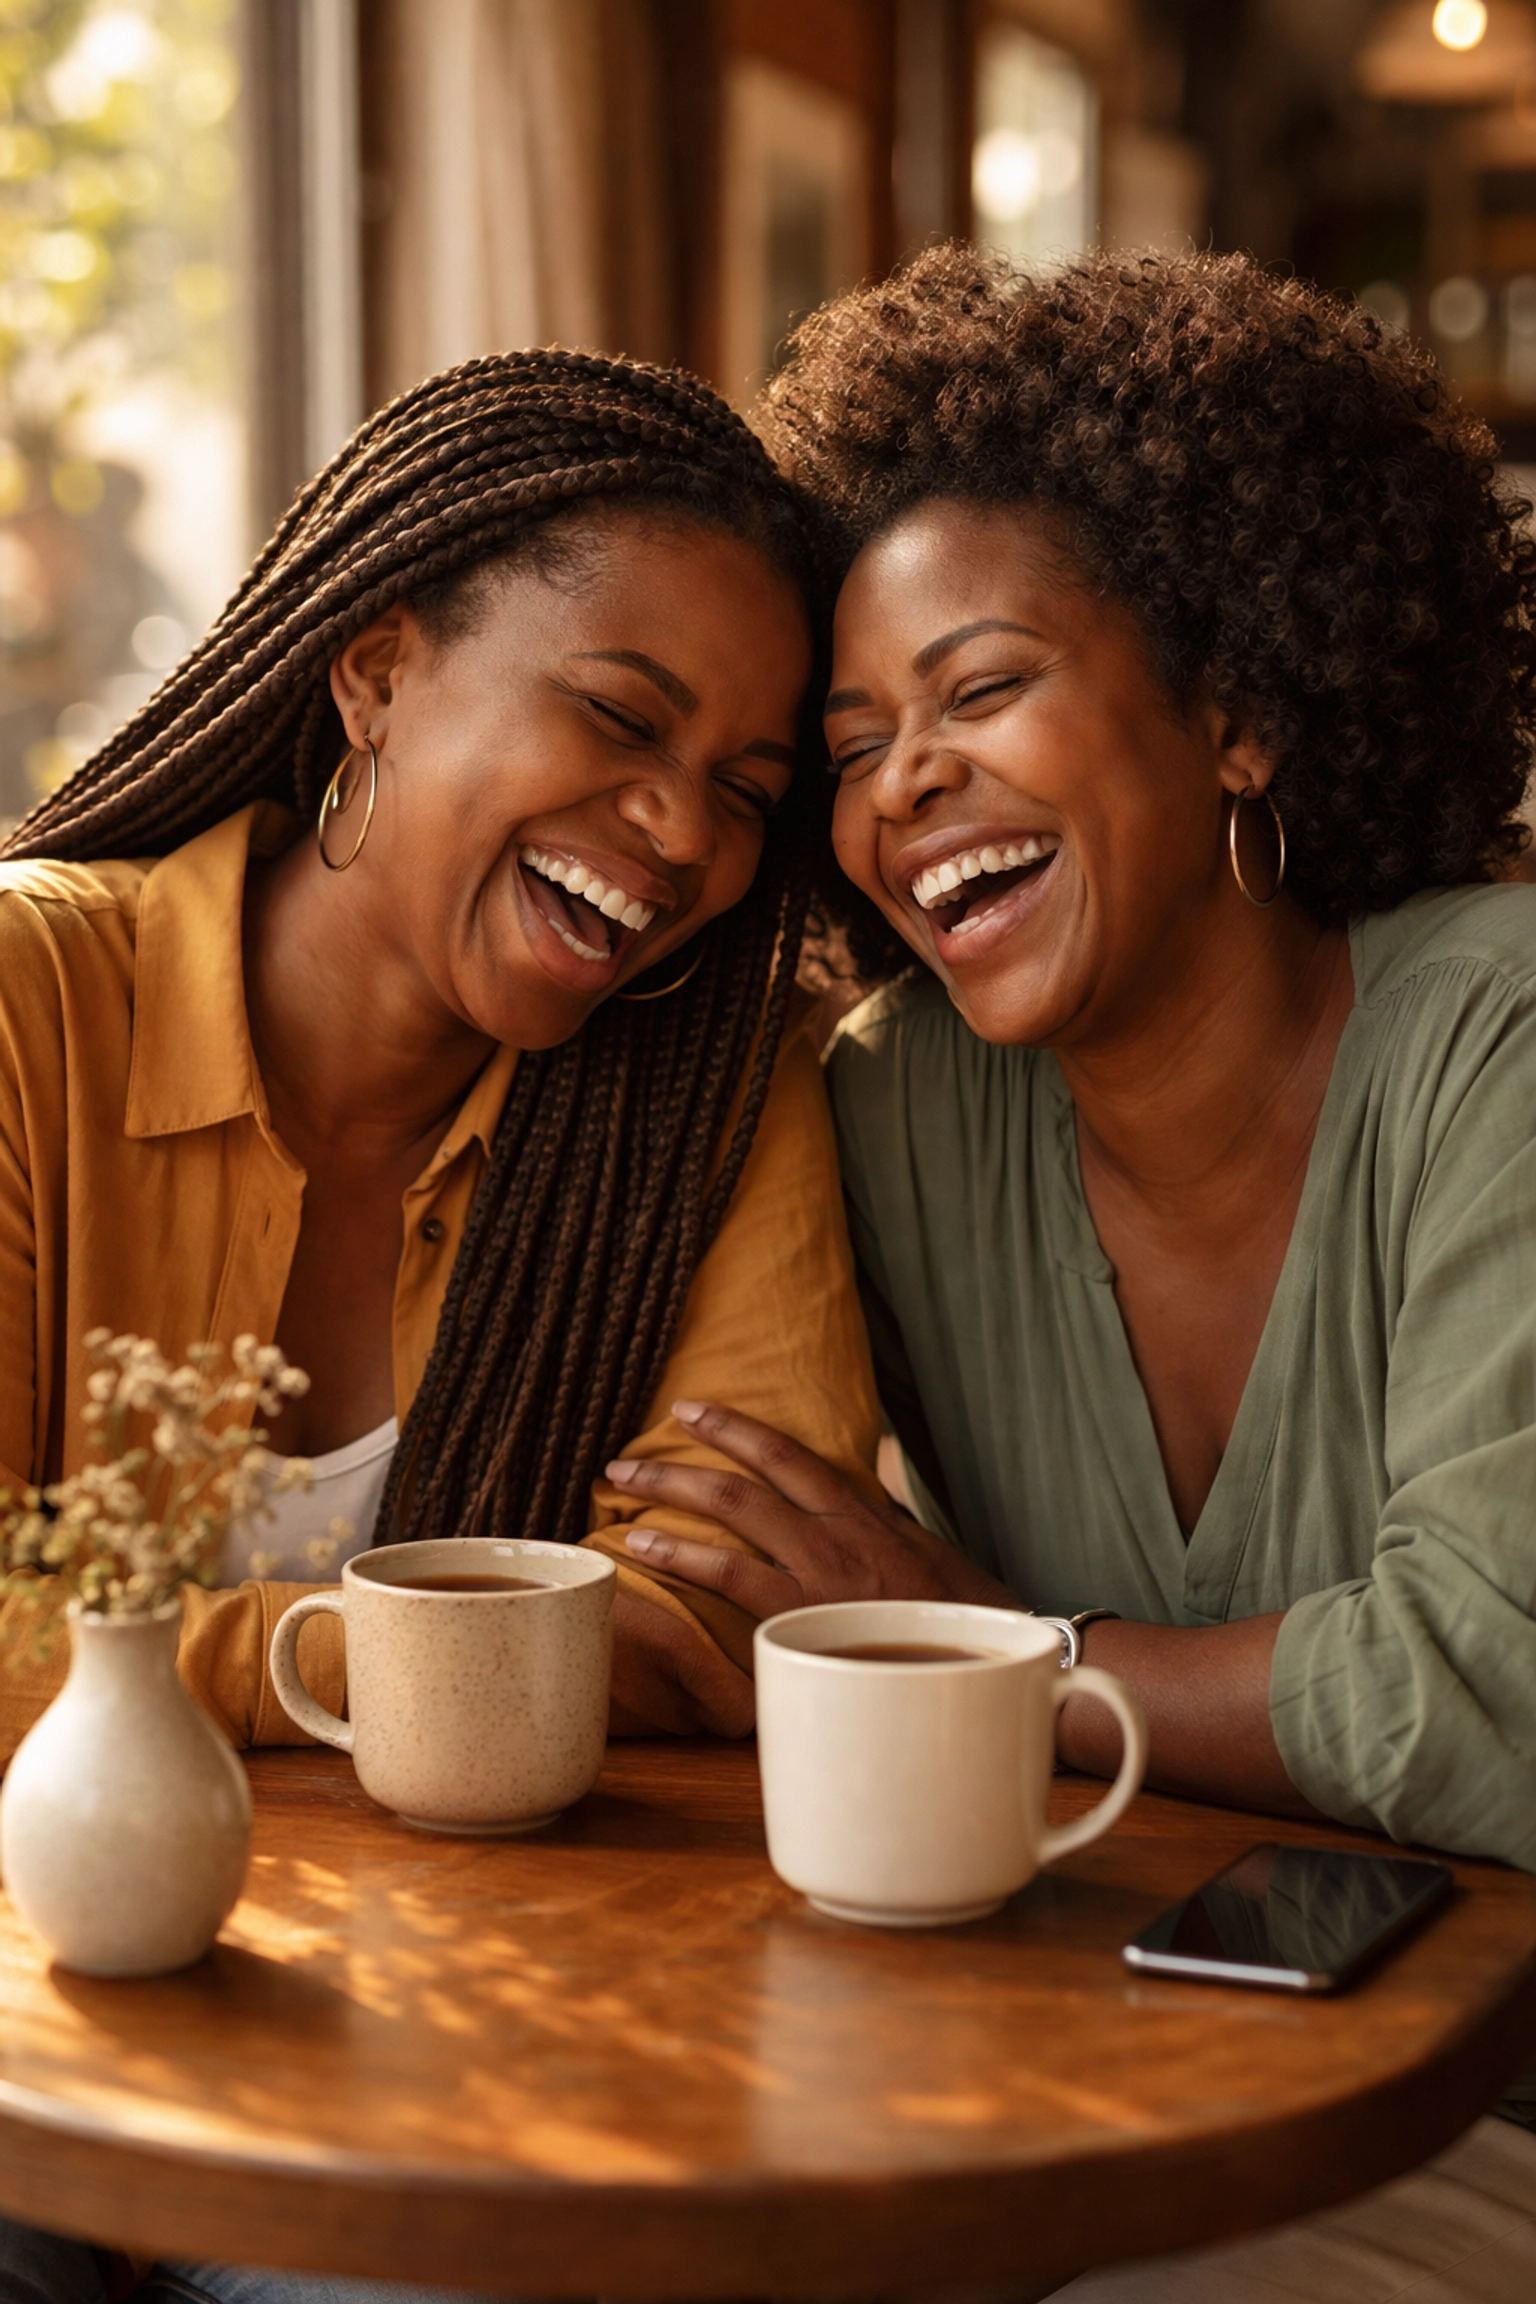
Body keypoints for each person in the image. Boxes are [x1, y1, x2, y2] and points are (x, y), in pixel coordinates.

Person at [603, 250, 1536, 2299]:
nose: (901, 784)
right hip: (1118, 2068)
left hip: (1477, 2108)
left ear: (1241, 711)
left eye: (983, 689)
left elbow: (1492, 1690)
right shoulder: (896, 1113)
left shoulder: (1502, 1040)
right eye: (849, 743)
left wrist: (985, 1643)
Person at [0, 349, 879, 2303]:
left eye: (744, 793)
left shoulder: (719, 1107)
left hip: (452, 2042)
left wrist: (127, 1659)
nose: (677, 839)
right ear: (377, 670)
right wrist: (448, 1666)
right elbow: (629, 1644)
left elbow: (736, 1613)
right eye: (616, 716)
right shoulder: (26, 1003)